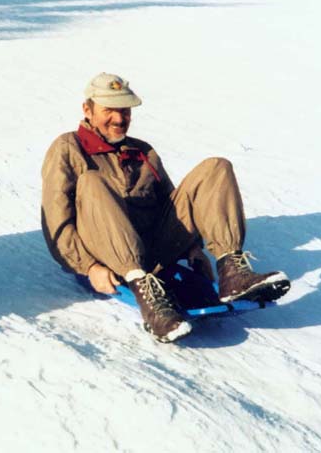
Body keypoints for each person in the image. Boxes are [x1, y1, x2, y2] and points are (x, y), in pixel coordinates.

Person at [41, 72, 290, 343]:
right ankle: (147, 295)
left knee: (216, 167)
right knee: (91, 182)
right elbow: (57, 221)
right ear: (87, 110)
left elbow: (173, 206)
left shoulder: (142, 151)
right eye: (109, 110)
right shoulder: (67, 148)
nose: (119, 118)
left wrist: (193, 249)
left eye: (124, 110)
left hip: (154, 248)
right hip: (106, 254)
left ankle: (232, 271)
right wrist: (88, 267)